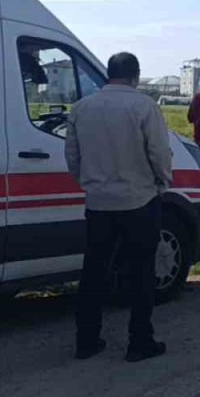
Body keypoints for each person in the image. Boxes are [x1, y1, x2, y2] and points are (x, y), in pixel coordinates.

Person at [65, 52, 171, 362]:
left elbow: (72, 156)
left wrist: (88, 184)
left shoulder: (82, 108)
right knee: (140, 273)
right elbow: (160, 153)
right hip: (139, 200)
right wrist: (161, 184)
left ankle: (86, 340)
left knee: (94, 272)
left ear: (109, 74)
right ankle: (139, 342)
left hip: (98, 203)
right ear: (135, 75)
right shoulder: (143, 106)